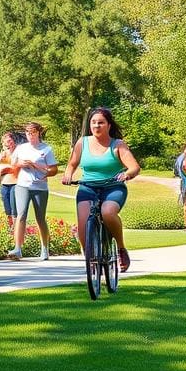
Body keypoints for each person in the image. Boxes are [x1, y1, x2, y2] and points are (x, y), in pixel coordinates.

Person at [61, 107, 140, 273]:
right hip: (87, 187)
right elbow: (72, 164)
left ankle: (120, 249)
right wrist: (68, 175)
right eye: (93, 122)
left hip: (112, 187)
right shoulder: (82, 143)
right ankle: (90, 258)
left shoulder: (117, 145)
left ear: (109, 125)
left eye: (101, 123)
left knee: (108, 212)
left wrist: (127, 175)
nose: (97, 126)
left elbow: (134, 167)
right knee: (83, 225)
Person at [7, 122, 58, 260]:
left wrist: (37, 167)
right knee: (21, 214)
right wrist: (20, 164)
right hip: (22, 185)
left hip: (39, 186)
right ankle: (17, 248)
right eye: (28, 133)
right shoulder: (21, 148)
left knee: (40, 217)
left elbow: (54, 170)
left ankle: (45, 248)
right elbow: (12, 164)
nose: (30, 135)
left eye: (33, 132)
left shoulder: (46, 149)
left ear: (38, 133)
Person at [0, 132, 20, 231]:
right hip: (4, 183)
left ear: (14, 141)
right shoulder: (2, 154)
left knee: (14, 207)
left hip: (15, 182)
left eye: (10, 141)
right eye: (6, 142)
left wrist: (8, 168)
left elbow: (17, 167)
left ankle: (16, 230)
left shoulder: (18, 153)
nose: (8, 143)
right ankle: (10, 228)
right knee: (7, 209)